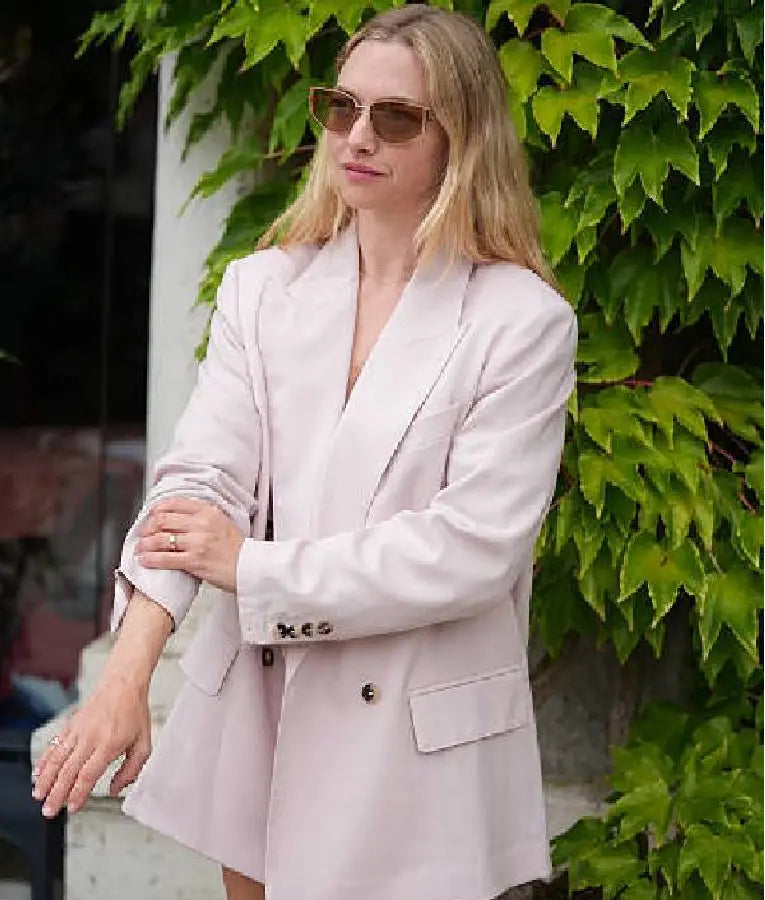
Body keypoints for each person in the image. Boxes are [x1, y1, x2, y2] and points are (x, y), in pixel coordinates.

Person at [31, 5, 578, 899]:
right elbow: (197, 489)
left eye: (395, 117)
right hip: (265, 712)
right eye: (341, 106)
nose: (356, 136)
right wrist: (125, 679)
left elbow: (472, 547)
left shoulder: (520, 322)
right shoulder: (264, 288)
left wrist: (254, 568)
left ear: (461, 139)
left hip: (415, 739)